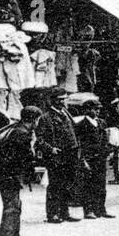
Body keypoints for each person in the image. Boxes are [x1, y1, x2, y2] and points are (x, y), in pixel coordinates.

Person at [0, 104, 41, 236]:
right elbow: (17, 158)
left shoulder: (20, 130)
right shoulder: (21, 134)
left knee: (16, 206)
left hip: (9, 175)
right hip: (9, 176)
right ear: (34, 120)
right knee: (11, 207)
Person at [37, 88, 81, 223]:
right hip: (56, 156)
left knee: (67, 184)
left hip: (70, 154)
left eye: (64, 99)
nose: (62, 102)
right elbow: (39, 139)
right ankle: (53, 214)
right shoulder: (46, 118)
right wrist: (51, 149)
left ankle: (65, 212)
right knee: (55, 185)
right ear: (53, 100)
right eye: (59, 99)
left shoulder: (67, 113)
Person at [73, 96, 115, 219]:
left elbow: (105, 139)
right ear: (87, 110)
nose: (97, 112)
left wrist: (107, 151)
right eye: (94, 109)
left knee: (101, 185)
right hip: (88, 158)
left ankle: (101, 209)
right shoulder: (81, 124)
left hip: (100, 158)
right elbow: (79, 143)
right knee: (88, 185)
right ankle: (88, 210)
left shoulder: (101, 122)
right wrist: (82, 159)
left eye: (98, 109)